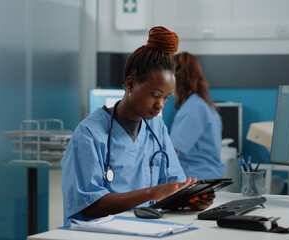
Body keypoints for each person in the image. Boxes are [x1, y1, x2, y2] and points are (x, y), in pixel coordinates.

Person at [61, 27, 214, 227]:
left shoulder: (156, 127)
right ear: (131, 85)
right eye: (155, 95)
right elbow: (87, 205)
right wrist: (151, 193)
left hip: (145, 229)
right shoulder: (89, 134)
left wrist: (190, 200)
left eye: (166, 97)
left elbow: (174, 186)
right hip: (96, 234)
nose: (160, 105)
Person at [170, 52, 225, 180]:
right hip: (208, 176)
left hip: (197, 179)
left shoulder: (193, 107)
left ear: (177, 77)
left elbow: (172, 151)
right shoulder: (202, 104)